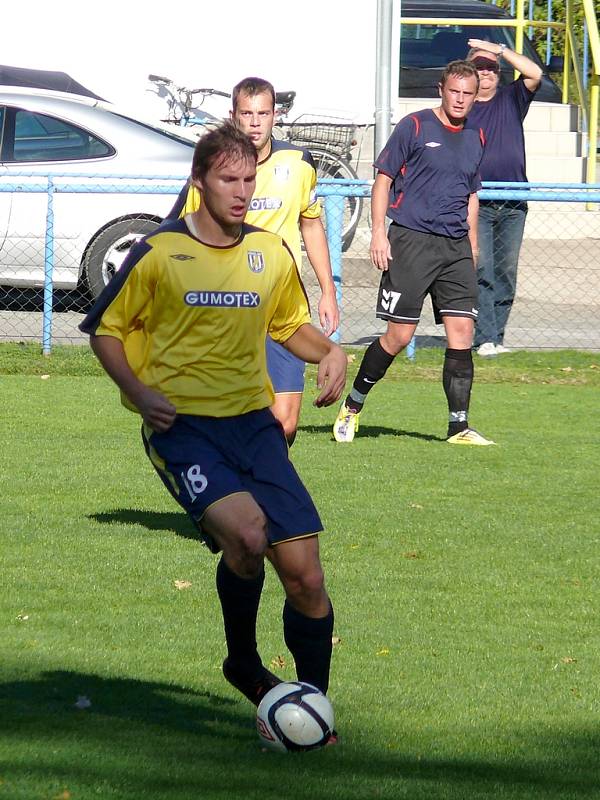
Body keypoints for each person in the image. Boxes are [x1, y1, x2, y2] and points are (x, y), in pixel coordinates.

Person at [79, 123, 347, 728]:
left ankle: (312, 710)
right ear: (199, 182)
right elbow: (105, 331)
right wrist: (138, 391)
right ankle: (245, 662)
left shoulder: (269, 254)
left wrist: (328, 351)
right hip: (183, 428)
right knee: (249, 536)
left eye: (249, 179)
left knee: (306, 575)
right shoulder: (157, 252)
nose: (241, 191)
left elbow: (289, 325)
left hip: (253, 426)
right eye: (229, 179)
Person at [167, 76, 339, 445]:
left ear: (276, 115)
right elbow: (177, 232)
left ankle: (258, 487)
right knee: (227, 415)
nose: (256, 122)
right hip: (228, 308)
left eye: (263, 113)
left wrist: (328, 289)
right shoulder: (211, 169)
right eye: (247, 113)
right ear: (234, 116)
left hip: (282, 306)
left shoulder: (298, 162)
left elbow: (311, 225)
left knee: (286, 424)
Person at [333, 60, 495, 446]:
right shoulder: (416, 126)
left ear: (475, 96)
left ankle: (459, 427)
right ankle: (353, 405)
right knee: (399, 336)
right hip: (411, 241)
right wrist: (378, 235)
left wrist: (472, 243)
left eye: (467, 93)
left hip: (455, 247)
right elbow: (383, 180)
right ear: (441, 89)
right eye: (453, 91)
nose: (459, 99)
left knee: (462, 332)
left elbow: (472, 194)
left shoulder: (476, 136)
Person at [465, 39, 542, 357]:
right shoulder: (463, 106)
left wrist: (498, 49)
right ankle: (483, 337)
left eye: (493, 67)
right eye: (481, 67)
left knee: (506, 271)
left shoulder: (512, 98)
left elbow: (534, 72)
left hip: (513, 202)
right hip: (478, 203)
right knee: (482, 268)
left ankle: (496, 336)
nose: (488, 72)